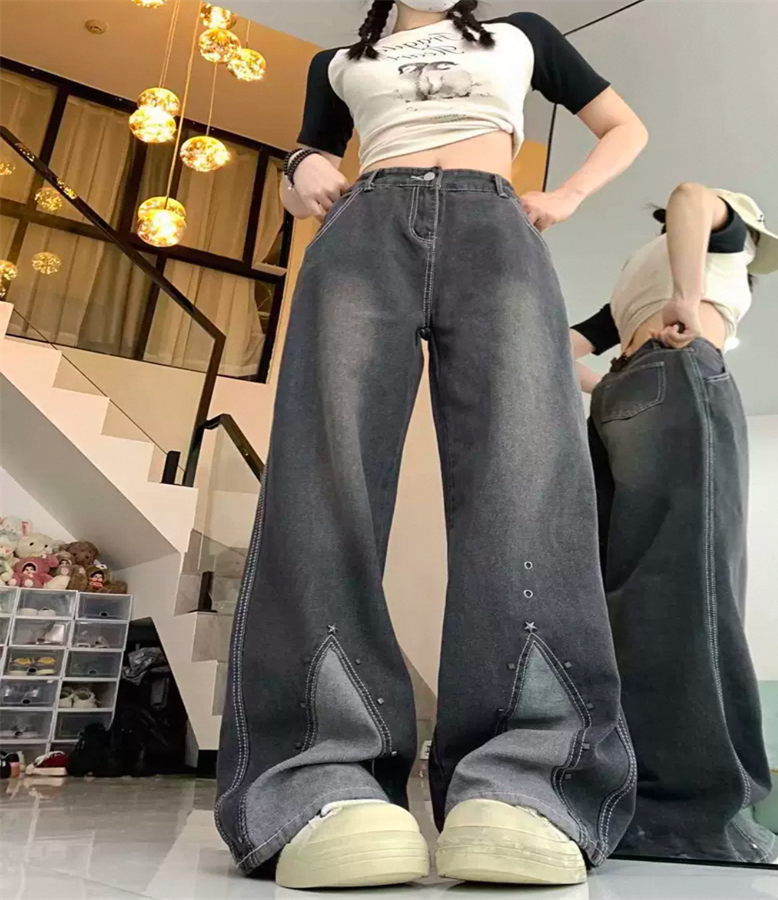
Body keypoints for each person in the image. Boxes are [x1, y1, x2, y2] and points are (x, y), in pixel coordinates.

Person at [215, 0, 648, 889]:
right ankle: (318, 778)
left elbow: (624, 125)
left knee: (526, 482)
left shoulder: (522, 35)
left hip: (498, 227)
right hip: (362, 228)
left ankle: (526, 781)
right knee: (322, 480)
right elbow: (307, 162)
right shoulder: (339, 60)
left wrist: (565, 196)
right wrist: (301, 167)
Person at [570, 183, 778, 865]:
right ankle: (699, 822)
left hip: (618, 399)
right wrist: (686, 297)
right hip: (680, 374)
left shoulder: (627, 282)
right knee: (694, 587)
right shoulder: (727, 245)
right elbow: (690, 195)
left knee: (620, 603)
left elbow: (557, 347)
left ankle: (620, 808)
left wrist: (609, 384)